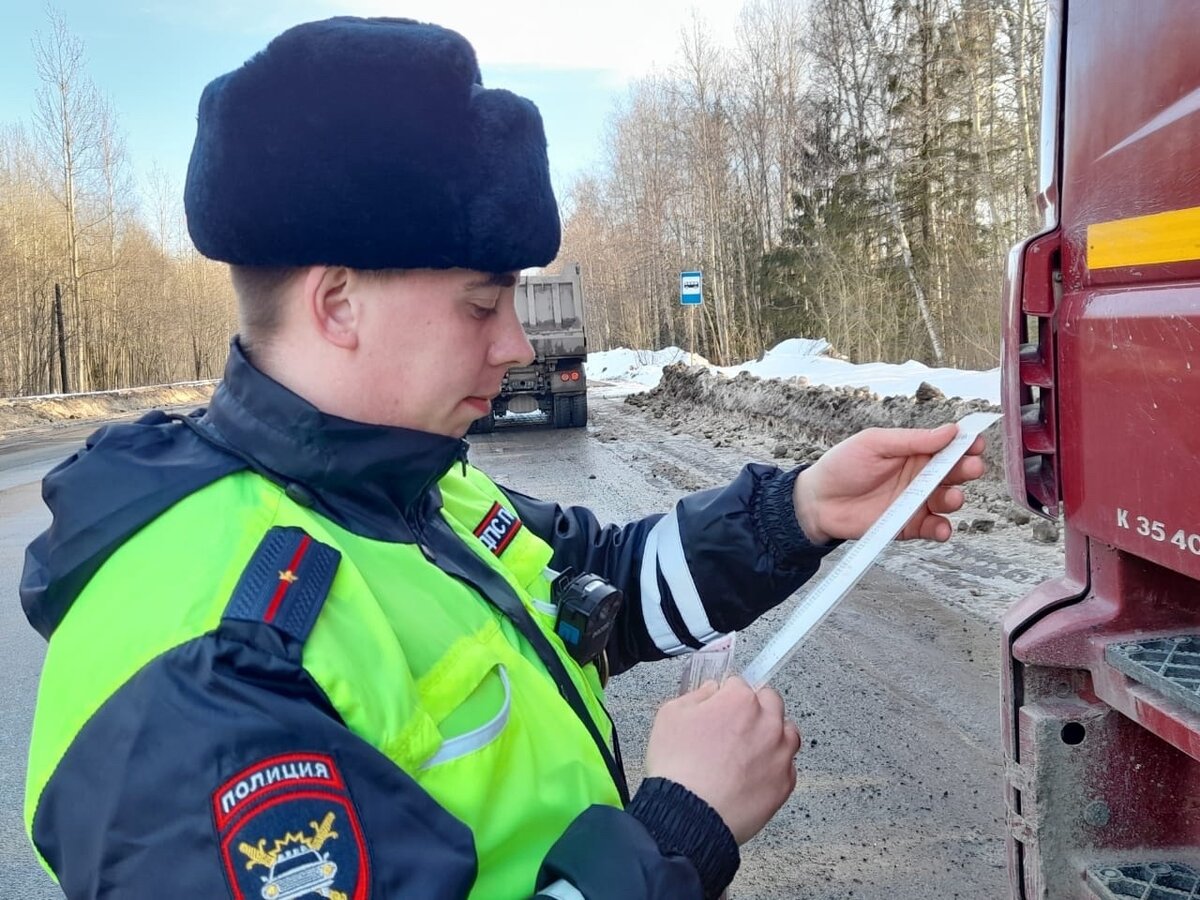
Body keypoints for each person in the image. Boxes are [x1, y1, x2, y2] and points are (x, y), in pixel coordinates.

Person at [19, 16, 986, 900]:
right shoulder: (208, 658)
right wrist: (680, 831)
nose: (518, 343)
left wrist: (805, 509)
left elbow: (599, 587)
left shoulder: (406, 490)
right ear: (337, 303)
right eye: (483, 305)